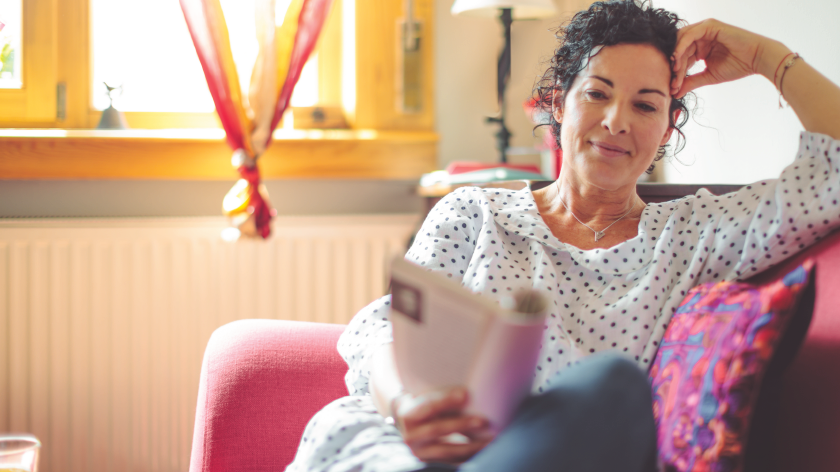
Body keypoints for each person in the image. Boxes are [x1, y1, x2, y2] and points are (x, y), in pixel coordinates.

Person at [285, 1, 840, 471]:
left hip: (566, 447)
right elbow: (384, 326)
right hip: (419, 445)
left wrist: (767, 57)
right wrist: (405, 403)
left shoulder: (696, 232)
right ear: (558, 103)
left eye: (646, 105)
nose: (617, 121)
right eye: (597, 94)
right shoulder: (475, 211)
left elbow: (833, 173)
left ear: (667, 128)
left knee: (614, 388)